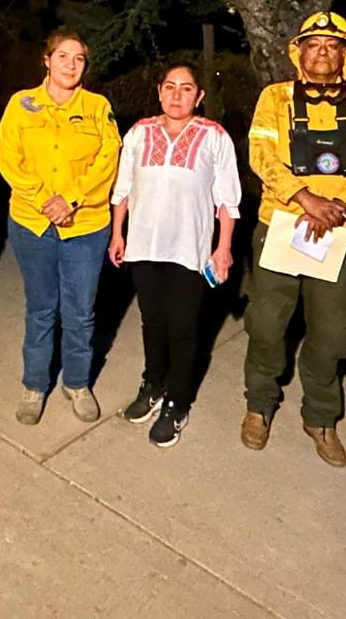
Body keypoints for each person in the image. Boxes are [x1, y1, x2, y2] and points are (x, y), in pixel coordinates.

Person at [242, 11, 346, 464]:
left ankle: (321, 416)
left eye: (333, 44)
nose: (322, 52)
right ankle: (259, 405)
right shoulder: (275, 97)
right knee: (267, 324)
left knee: (331, 333)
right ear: (299, 51)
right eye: (314, 44)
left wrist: (338, 206)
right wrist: (305, 198)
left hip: (338, 232)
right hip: (281, 225)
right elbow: (261, 153)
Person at [108, 64, 241, 447]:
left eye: (186, 89)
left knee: (183, 329)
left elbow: (227, 201)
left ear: (199, 97)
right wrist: (118, 233)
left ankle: (177, 403)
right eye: (170, 87)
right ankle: (153, 384)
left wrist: (223, 248)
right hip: (144, 246)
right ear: (159, 91)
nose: (177, 95)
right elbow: (124, 188)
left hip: (189, 250)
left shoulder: (214, 137)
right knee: (152, 322)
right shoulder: (139, 132)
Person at [0, 29, 121, 425]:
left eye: (79, 58)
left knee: (81, 311)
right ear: (46, 60)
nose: (71, 64)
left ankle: (78, 383)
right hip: (32, 224)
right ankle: (35, 385)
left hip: (84, 225)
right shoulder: (22, 104)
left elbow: (108, 159)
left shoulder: (98, 107)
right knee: (40, 308)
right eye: (63, 56)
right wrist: (43, 201)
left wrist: (70, 198)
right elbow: (8, 158)